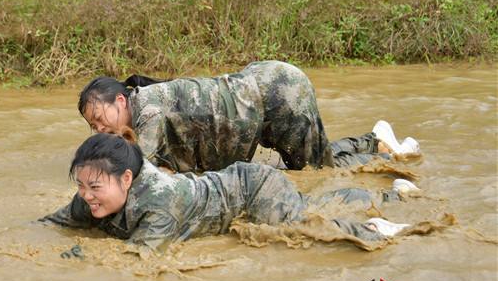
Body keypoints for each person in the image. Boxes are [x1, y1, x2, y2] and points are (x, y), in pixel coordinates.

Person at [42, 133, 419, 253]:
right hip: (232, 186)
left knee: (304, 227)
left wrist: (80, 256)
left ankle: (377, 225)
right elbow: (51, 223)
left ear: (126, 179)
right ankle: (394, 194)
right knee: (308, 207)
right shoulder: (91, 195)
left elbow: (135, 259)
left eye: (94, 187)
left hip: (253, 190)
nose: (86, 195)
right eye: (80, 185)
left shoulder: (159, 203)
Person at [77, 61, 420, 172]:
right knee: (312, 160)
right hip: (256, 93)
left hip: (278, 93)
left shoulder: (147, 110)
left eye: (99, 117)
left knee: (318, 172)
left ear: (120, 100)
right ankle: (377, 142)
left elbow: (137, 173)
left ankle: (378, 146)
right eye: (91, 126)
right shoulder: (140, 109)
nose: (98, 128)